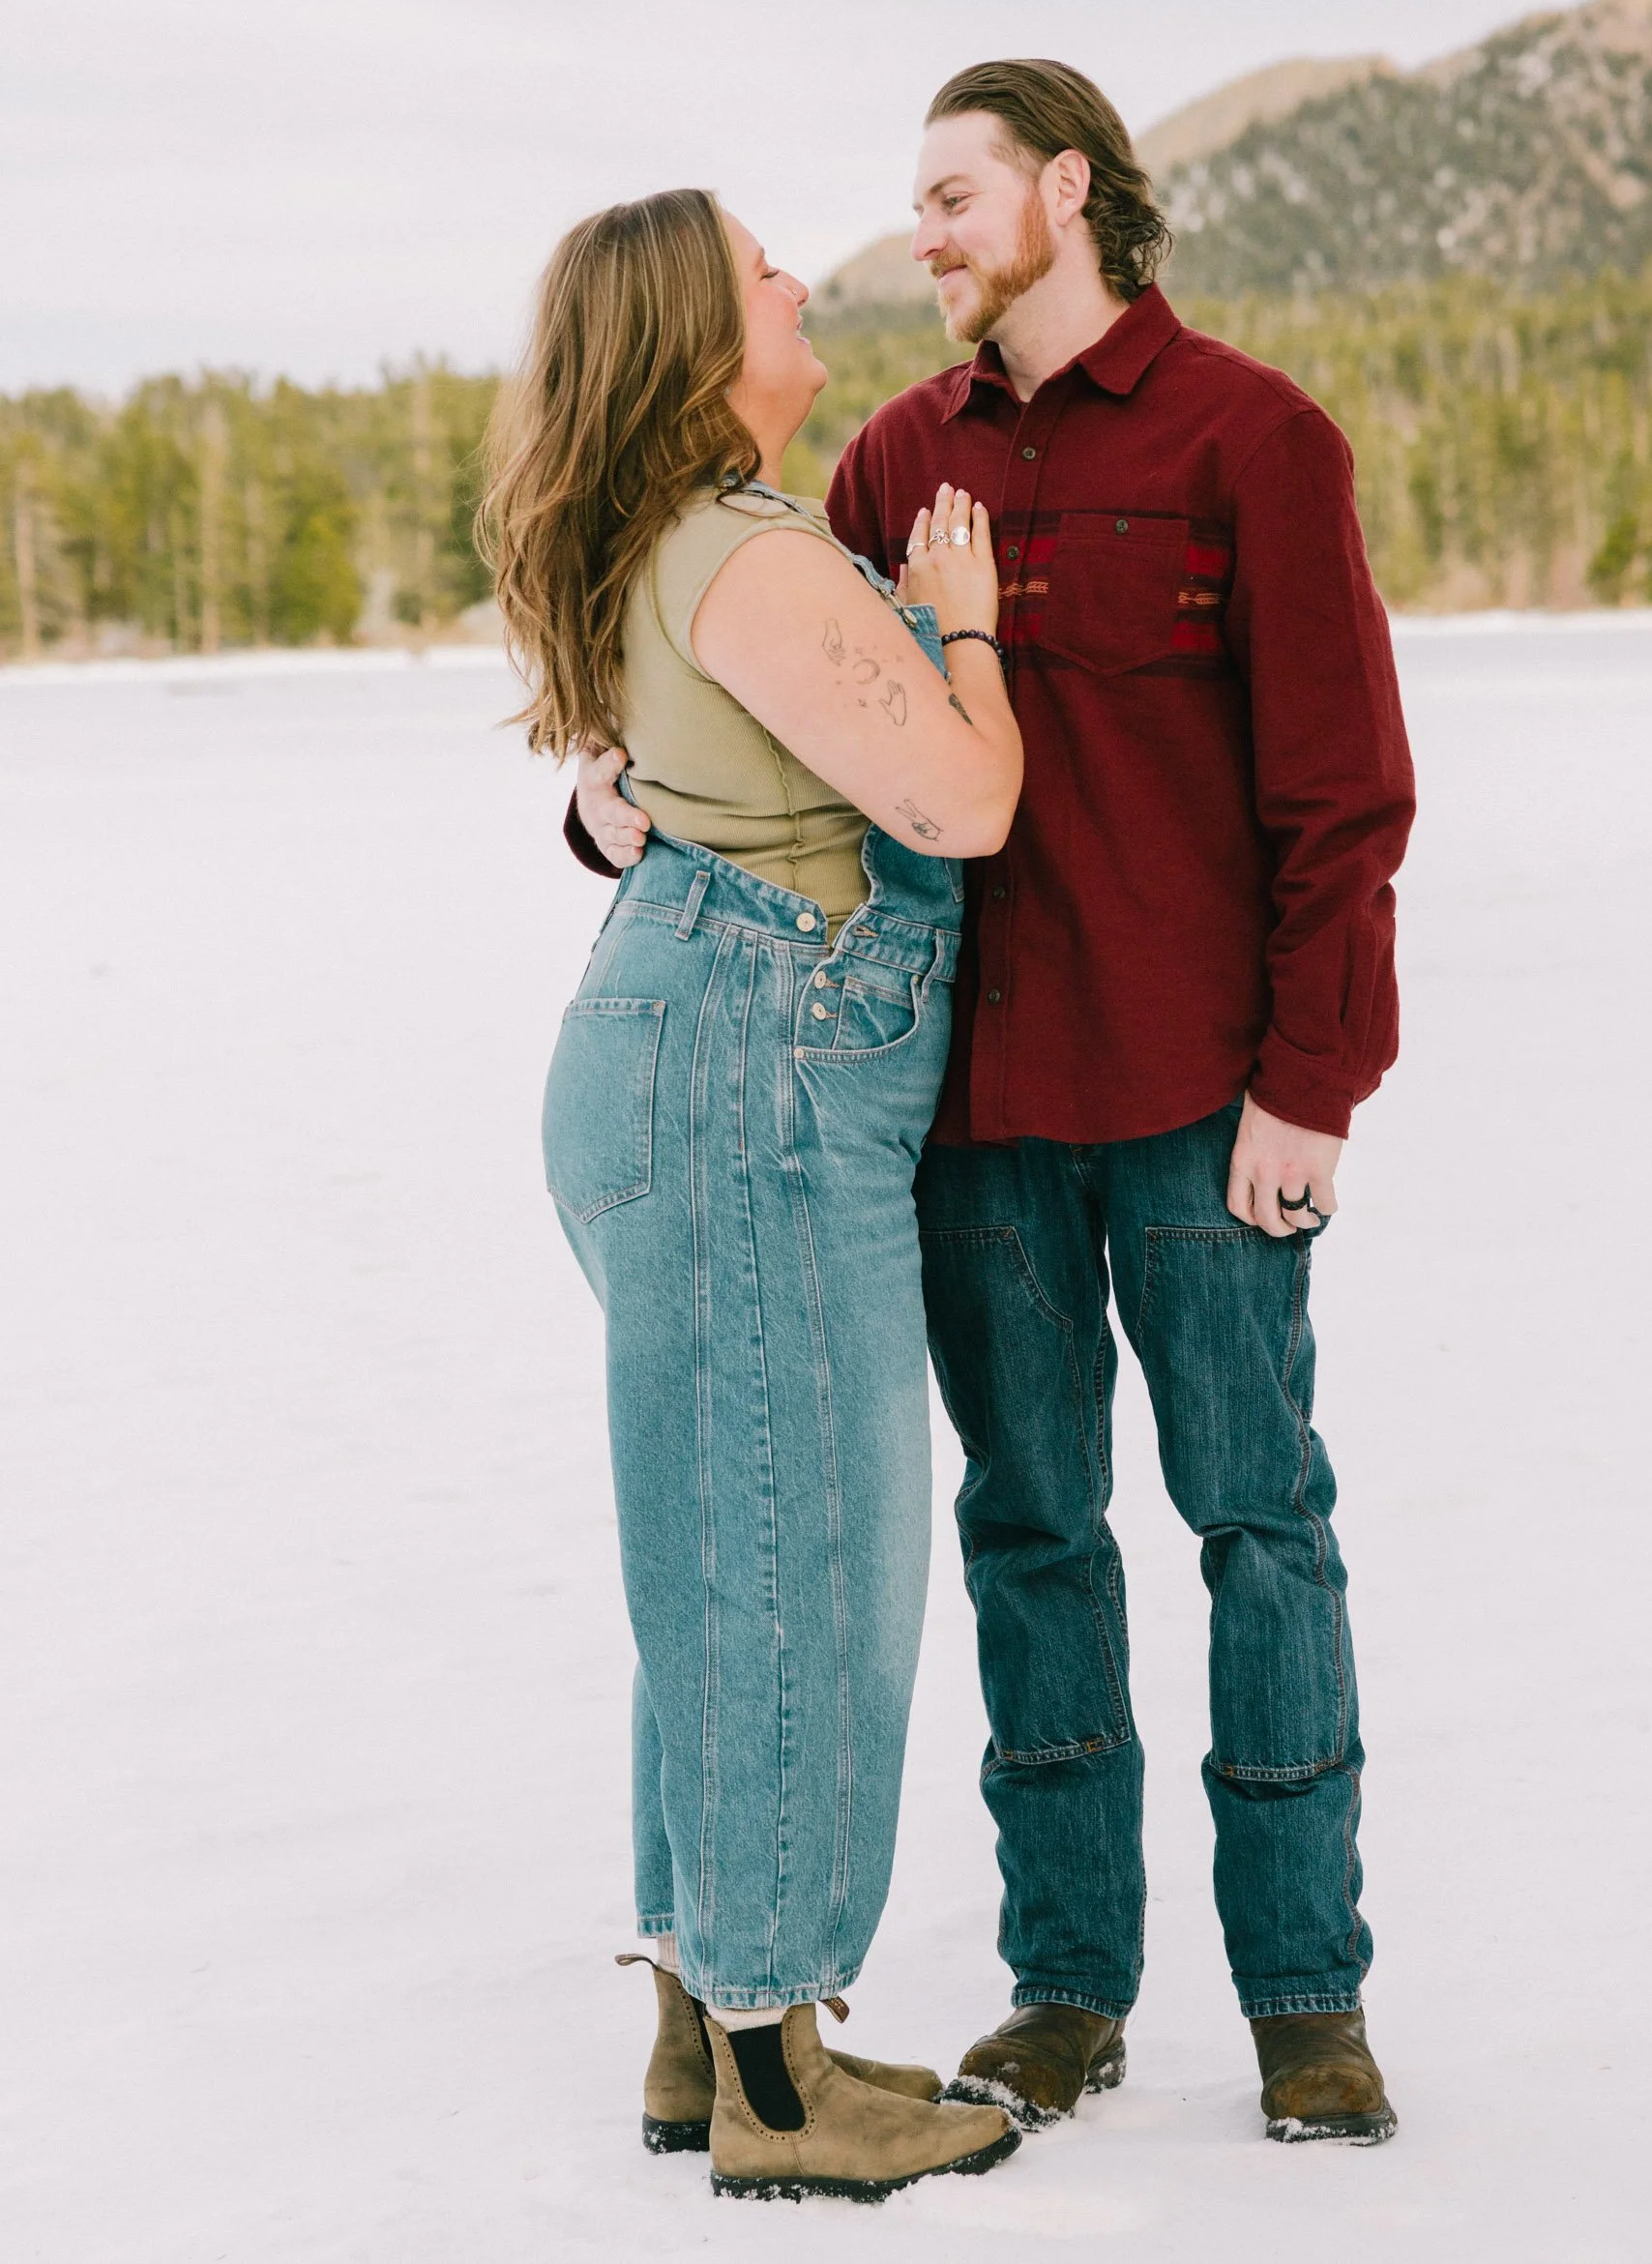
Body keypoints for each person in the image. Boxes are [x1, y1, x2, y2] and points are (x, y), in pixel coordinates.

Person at [573, 66, 1415, 2144]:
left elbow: (1343, 797)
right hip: (960, 1117)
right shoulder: (885, 463)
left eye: (951, 197)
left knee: (1258, 1528)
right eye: (911, 206)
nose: (922, 237)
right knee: (1028, 1537)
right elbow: (773, 717)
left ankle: (1306, 2001)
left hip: (1199, 1102)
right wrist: (610, 817)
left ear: (1065, 189)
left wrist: (1313, 1081)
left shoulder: (1250, 438)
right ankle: (1066, 1986)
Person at [481, 187, 1028, 2201]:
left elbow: (647, 791)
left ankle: (698, 2023)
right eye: (762, 263)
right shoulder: (747, 554)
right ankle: (782, 2085)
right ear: (706, 342)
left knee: (734, 1554)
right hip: (746, 1080)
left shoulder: (695, 544)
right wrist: (961, 627)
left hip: (704, 1060)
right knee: (800, 1560)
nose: (798, 273)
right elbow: (958, 803)